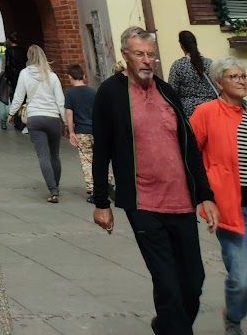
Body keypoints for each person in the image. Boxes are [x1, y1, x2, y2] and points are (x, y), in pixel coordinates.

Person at [91, 26, 218, 335]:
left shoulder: (167, 91)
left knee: (194, 281)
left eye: (151, 54)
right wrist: (101, 202)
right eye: (140, 54)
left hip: (181, 201)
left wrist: (206, 195)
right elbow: (102, 150)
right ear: (126, 55)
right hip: (143, 202)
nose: (147, 60)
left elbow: (189, 147)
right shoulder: (110, 93)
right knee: (167, 282)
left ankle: (165, 325)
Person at [190, 57, 247, 335]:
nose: (241, 81)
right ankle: (233, 317)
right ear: (219, 82)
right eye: (233, 76)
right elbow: (189, 154)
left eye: (243, 76)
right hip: (231, 207)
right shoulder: (206, 113)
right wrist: (204, 194)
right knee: (241, 279)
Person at [9, 45, 67, 200]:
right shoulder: (52, 76)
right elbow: (60, 101)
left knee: (43, 155)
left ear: (29, 57)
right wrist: (66, 121)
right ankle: (56, 185)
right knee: (55, 154)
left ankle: (53, 191)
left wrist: (11, 113)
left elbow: (19, 96)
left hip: (35, 118)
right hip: (53, 118)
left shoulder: (24, 74)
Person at [64, 63, 98, 203]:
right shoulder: (93, 92)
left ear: (70, 77)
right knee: (100, 158)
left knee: (86, 160)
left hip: (82, 131)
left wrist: (71, 131)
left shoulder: (70, 94)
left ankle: (93, 189)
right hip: (96, 130)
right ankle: (107, 183)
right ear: (83, 76)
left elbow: (69, 113)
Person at [168, 30, 220, 121]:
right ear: (195, 43)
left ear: (181, 45)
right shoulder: (210, 63)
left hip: (189, 113)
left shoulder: (178, 65)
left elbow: (172, 92)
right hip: (212, 110)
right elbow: (219, 86)